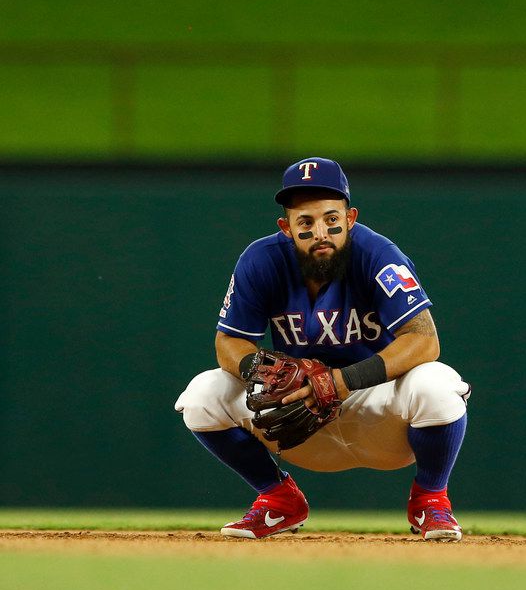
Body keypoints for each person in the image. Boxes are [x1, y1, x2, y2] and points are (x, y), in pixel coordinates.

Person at [175, 157, 470, 541]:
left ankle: (431, 501)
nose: (321, 232)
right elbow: (228, 341)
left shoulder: (378, 255)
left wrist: (341, 381)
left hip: (380, 413)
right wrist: (259, 371)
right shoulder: (261, 259)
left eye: (331, 219)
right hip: (300, 418)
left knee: (437, 384)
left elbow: (424, 340)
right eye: (306, 223)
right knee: (202, 395)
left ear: (350, 218)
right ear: (286, 227)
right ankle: (278, 499)